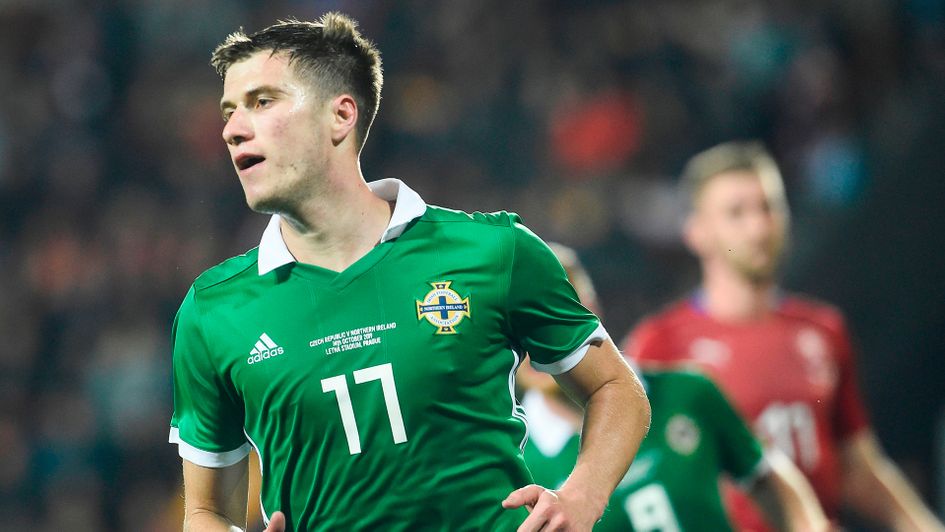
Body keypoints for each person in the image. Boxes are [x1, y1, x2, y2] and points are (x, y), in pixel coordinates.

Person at [167, 13, 650, 532]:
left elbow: (617, 389)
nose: (232, 129)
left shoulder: (492, 250)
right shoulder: (213, 311)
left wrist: (581, 497)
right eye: (229, 111)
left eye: (262, 102)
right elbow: (206, 510)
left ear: (341, 115)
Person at [623, 141, 944, 531]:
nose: (759, 227)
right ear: (696, 232)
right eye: (736, 213)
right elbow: (637, 477)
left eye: (769, 207)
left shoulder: (823, 330)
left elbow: (855, 466)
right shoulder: (659, 345)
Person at [521, 243, 829, 531]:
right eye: (513, 329)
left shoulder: (687, 392)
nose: (532, 344)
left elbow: (766, 479)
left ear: (589, 312)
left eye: (549, 319)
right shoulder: (517, 469)